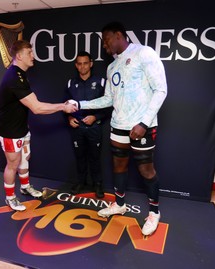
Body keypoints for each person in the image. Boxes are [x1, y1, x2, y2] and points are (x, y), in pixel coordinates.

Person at [69, 22, 167, 236]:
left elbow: (161, 90)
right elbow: (107, 99)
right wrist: (80, 104)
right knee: (119, 166)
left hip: (141, 126)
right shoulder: (112, 66)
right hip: (118, 127)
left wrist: (144, 123)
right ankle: (120, 204)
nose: (104, 45)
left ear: (119, 35)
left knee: (145, 170)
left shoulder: (143, 53)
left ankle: (154, 213)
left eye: (106, 40)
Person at [0, 40, 78, 211]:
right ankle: (10, 198)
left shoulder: (20, 74)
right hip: (9, 130)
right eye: (29, 53)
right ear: (19, 56)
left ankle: (25, 186)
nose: (33, 56)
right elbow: (37, 108)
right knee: (13, 164)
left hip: (21, 127)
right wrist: (63, 107)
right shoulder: (14, 77)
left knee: (25, 158)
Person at [65, 51, 111, 198]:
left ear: (91, 64)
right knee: (80, 157)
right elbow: (65, 105)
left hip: (94, 127)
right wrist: (69, 117)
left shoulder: (102, 82)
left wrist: (95, 117)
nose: (83, 66)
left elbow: (109, 106)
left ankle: (97, 185)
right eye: (79, 63)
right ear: (76, 65)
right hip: (77, 128)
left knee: (95, 158)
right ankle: (81, 182)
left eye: (86, 63)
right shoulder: (71, 83)